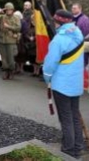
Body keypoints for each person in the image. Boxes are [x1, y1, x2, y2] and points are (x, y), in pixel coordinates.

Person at [43, 9, 84, 159]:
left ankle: (68, 150)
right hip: (75, 84)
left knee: (65, 118)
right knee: (74, 116)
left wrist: (47, 78)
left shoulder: (58, 39)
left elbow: (49, 64)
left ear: (58, 22)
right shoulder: (78, 33)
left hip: (61, 84)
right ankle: (78, 147)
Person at [0, 2, 21, 80]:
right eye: (7, 10)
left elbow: (18, 28)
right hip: (2, 40)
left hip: (11, 40)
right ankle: (6, 72)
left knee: (11, 58)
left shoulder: (16, 18)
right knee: (4, 58)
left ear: (12, 10)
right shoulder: (2, 17)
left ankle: (11, 72)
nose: (8, 11)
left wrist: (9, 26)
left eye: (10, 10)